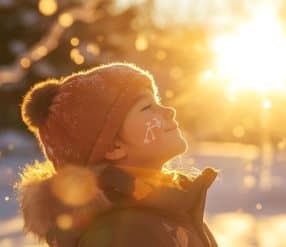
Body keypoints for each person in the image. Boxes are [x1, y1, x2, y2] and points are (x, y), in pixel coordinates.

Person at [16, 63, 218, 247]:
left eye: (157, 101)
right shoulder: (122, 233)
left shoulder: (167, 204)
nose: (169, 111)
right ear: (113, 148)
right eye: (147, 107)